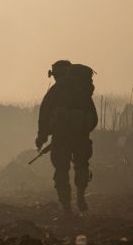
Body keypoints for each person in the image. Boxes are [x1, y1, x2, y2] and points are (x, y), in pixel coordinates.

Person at [36, 61, 98, 215]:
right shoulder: (83, 92)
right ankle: (81, 195)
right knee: (82, 166)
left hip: (61, 140)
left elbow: (44, 115)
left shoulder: (56, 91)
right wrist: (82, 131)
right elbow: (94, 118)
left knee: (61, 171)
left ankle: (66, 206)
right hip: (82, 139)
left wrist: (42, 136)